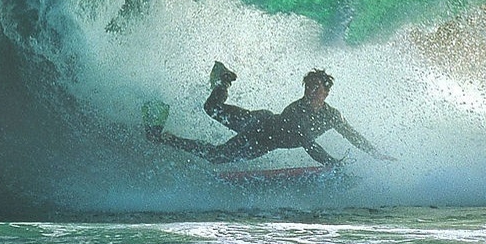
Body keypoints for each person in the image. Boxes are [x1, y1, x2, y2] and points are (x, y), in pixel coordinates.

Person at [146, 62, 396, 165]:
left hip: (261, 124)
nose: (310, 92)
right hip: (257, 131)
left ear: (326, 93)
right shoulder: (297, 110)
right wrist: (332, 165)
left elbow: (353, 136)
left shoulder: (333, 116)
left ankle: (223, 82)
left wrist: (378, 155)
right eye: (307, 87)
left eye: (315, 88)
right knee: (216, 153)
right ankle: (162, 135)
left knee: (213, 117)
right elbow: (308, 144)